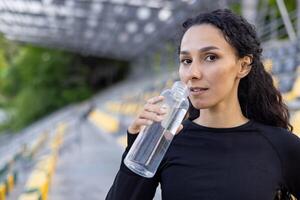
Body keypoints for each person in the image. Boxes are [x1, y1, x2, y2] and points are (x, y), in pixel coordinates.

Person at [106, 9, 300, 200]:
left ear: (242, 66)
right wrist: (137, 148)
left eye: (210, 57)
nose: (193, 73)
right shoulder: (165, 141)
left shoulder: (280, 145)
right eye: (186, 60)